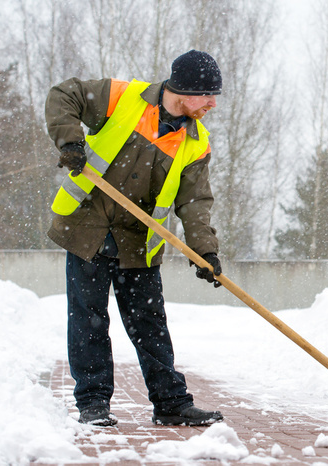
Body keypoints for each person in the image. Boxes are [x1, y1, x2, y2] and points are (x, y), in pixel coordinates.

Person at [45, 50, 225, 427]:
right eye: (208, 94)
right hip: (88, 229)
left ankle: (171, 402)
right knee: (88, 320)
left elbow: (194, 203)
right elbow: (64, 94)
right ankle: (93, 403)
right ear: (185, 89)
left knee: (151, 325)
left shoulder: (196, 143)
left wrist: (204, 249)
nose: (212, 103)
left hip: (138, 244)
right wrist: (70, 142)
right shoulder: (124, 97)